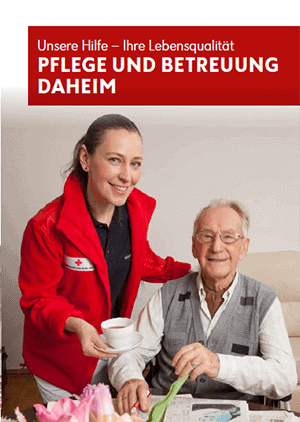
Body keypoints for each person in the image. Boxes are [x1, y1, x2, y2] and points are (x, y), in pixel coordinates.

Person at [19, 114, 191, 402]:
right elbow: (37, 299)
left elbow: (139, 260)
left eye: (135, 163)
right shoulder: (45, 226)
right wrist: (78, 324)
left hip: (111, 352)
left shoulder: (133, 212)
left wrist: (199, 269)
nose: (127, 175)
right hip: (61, 363)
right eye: (115, 160)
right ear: (86, 158)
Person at [109, 198, 297, 414]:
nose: (217, 247)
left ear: (243, 247)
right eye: (207, 236)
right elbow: (129, 352)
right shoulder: (168, 294)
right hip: (168, 414)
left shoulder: (264, 299)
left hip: (233, 417)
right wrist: (130, 378)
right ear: (194, 246)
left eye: (228, 237)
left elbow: (285, 378)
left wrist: (219, 364)